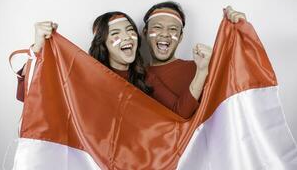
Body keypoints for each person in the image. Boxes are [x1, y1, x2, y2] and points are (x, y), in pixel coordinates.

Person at [16, 11, 200, 118]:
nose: (127, 37)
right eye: (115, 33)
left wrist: (203, 69)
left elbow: (181, 113)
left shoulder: (146, 77)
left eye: (130, 31)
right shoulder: (86, 75)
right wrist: (39, 46)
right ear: (102, 43)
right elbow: (31, 95)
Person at [142, 1, 246, 118]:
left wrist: (242, 33)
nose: (165, 34)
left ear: (180, 37)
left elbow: (243, 79)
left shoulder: (202, 66)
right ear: (145, 33)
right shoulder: (137, 76)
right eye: (157, 27)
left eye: (172, 29)